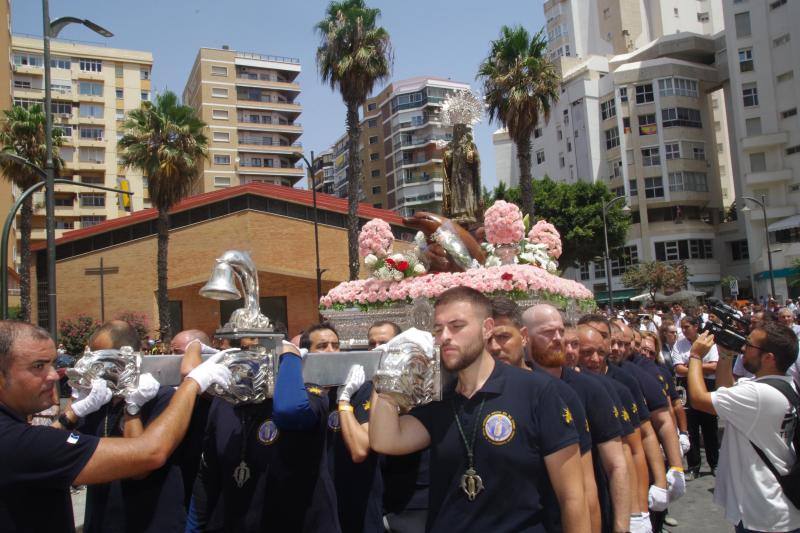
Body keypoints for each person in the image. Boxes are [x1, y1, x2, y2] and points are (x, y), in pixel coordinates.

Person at [370, 287, 590, 532]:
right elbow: (385, 440)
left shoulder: (537, 391)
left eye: (456, 326)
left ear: (486, 329)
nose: (444, 337)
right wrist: (389, 370)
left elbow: (572, 496)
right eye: (438, 329)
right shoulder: (439, 400)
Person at [0, 320, 230, 533]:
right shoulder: (16, 439)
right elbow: (148, 453)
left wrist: (72, 414)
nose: (53, 376)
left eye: (49, 364)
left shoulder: (158, 397)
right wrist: (192, 382)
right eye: (38, 366)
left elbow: (140, 469)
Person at [188, 327, 340, 532]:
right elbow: (208, 475)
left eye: (262, 348)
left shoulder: (308, 393)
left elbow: (290, 410)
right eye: (246, 349)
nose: (252, 358)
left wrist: (291, 356)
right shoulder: (223, 401)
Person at [521, 303, 630, 533]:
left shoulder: (590, 388)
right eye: (548, 333)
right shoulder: (517, 388)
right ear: (525, 337)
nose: (558, 339)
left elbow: (616, 462)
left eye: (561, 331)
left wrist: (624, 523)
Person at [76, 320, 189, 532]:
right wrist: (75, 409)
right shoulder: (99, 400)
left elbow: (139, 469)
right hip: (102, 521)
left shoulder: (162, 397)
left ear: (129, 357)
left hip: (150, 522)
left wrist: (132, 405)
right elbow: (75, 461)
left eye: (105, 358)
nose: (97, 367)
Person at [686, 321, 800, 532]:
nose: (743, 348)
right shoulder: (782, 385)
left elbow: (698, 399)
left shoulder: (758, 395)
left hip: (764, 514)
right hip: (772, 508)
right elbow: (725, 390)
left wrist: (695, 356)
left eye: (749, 345)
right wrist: (726, 356)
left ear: (768, 358)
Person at [575, 324, 652, 533]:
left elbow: (630, 450)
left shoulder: (617, 386)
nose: (596, 359)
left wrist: (636, 512)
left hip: (605, 496)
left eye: (600, 352)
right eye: (587, 352)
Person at [367, 321, 432, 533]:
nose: (378, 349)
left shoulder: (430, 388)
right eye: (372, 344)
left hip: (419, 499)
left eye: (385, 344)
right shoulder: (368, 385)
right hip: (386, 494)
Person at [673, 316, 719, 479]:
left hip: (707, 385)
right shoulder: (679, 344)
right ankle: (693, 466)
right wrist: (699, 366)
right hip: (686, 386)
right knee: (691, 427)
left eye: (687, 327)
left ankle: (715, 463)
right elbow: (678, 369)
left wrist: (691, 365)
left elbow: (714, 366)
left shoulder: (707, 342)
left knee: (710, 427)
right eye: (682, 327)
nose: (684, 330)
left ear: (696, 326)